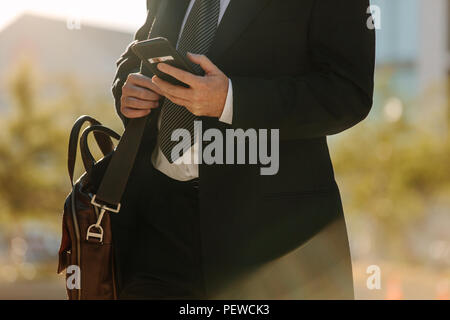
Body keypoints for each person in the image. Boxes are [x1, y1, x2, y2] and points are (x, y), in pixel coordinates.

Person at [111, 0, 375, 299]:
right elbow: (137, 54)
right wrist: (128, 88)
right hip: (157, 224)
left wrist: (232, 101)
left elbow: (348, 92)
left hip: (268, 236)